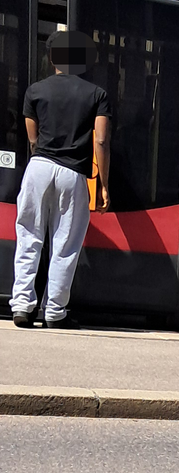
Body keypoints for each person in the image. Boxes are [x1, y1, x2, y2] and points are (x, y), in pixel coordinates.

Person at [11, 31, 111, 328]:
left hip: (39, 165)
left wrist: (43, 154)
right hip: (73, 173)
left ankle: (21, 305)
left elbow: (32, 137)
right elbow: (101, 142)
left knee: (29, 235)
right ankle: (54, 311)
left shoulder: (35, 91)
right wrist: (103, 184)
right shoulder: (97, 94)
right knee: (65, 242)